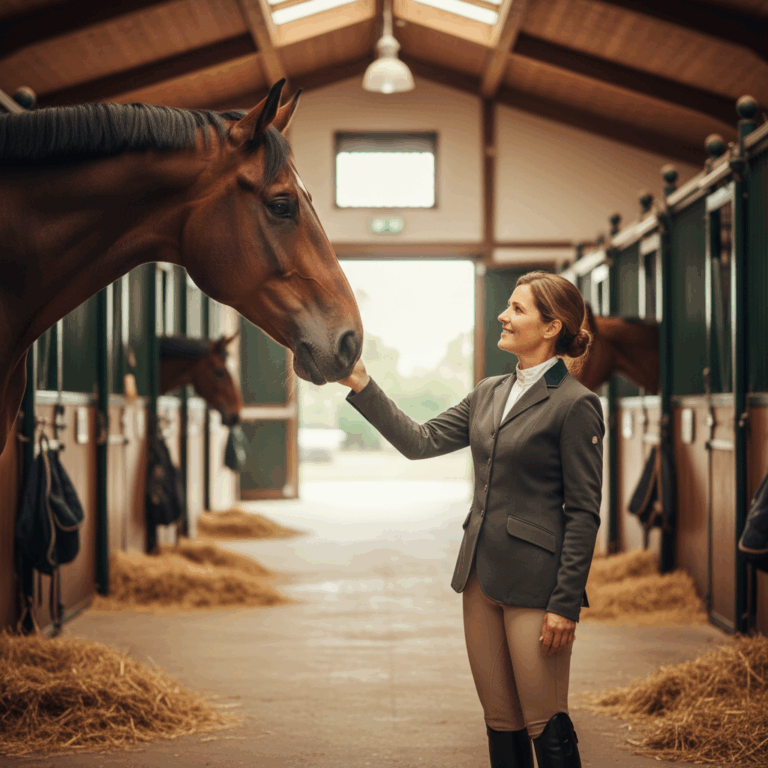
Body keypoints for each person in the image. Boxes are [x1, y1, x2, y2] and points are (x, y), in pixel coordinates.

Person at [337, 270, 604, 768]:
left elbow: (584, 512)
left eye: (518, 309)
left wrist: (565, 603)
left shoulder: (576, 405)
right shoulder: (488, 392)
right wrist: (361, 383)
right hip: (478, 578)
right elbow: (420, 441)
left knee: (546, 723)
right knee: (500, 722)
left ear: (552, 327)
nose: (503, 315)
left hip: (535, 585)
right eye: (508, 305)